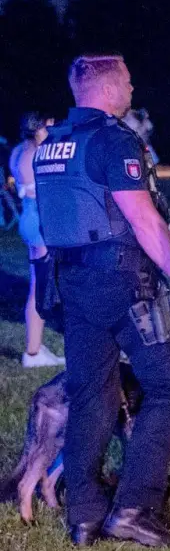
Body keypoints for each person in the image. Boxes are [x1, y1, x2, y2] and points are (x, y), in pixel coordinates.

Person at [34, 55, 170, 547]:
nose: (132, 86)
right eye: (127, 81)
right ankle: (135, 507)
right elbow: (144, 219)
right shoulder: (114, 140)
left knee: (93, 395)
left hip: (74, 285)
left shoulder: (54, 145)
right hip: (126, 283)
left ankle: (84, 514)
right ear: (109, 89)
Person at [10, 112, 63, 367]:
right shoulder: (43, 152)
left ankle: (35, 349)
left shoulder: (19, 151)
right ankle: (32, 352)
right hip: (43, 222)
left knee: (38, 285)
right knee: (41, 288)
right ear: (45, 124)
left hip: (28, 218)